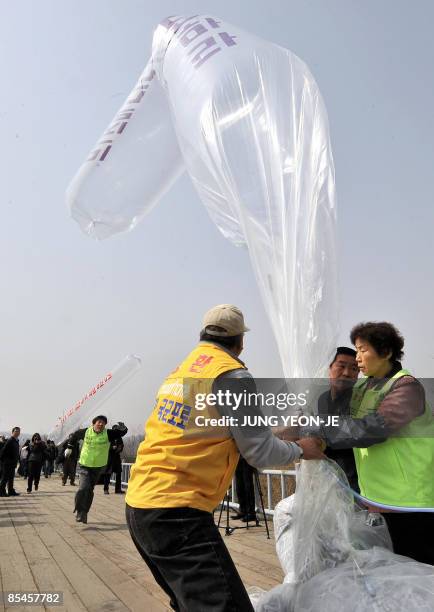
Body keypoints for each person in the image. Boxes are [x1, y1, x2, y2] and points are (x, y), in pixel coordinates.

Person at [126, 304, 325, 612]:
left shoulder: (182, 371)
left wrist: (278, 432)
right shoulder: (232, 375)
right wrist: (302, 449)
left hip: (141, 505)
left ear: (202, 334)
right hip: (178, 512)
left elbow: (215, 428)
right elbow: (258, 452)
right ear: (240, 341)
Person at [320, 321, 434, 565]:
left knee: (419, 570)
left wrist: (319, 432)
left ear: (386, 352)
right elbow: (336, 410)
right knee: (392, 573)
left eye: (363, 350)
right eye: (356, 350)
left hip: (410, 502)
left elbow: (373, 428)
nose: (357, 358)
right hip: (377, 500)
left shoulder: (406, 387)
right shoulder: (364, 387)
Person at [66, 416, 128, 523]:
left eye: (103, 423)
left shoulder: (107, 433)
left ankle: (84, 512)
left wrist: (123, 427)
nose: (101, 424)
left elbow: (121, 433)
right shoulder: (86, 432)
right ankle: (80, 511)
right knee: (83, 488)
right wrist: (69, 447)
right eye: (99, 422)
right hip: (85, 464)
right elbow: (75, 435)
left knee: (89, 490)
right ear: (93, 423)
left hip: (98, 467)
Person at [318, 347, 360, 492]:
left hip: (356, 484)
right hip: (326, 481)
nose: (347, 373)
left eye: (354, 368)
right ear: (329, 368)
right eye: (341, 366)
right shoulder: (321, 399)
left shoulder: (361, 400)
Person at [231, 456, 257, 522]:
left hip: (247, 459)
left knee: (248, 488)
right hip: (238, 459)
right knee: (239, 488)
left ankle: (251, 513)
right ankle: (243, 511)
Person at [0, 427, 21, 497]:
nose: (17, 432)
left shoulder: (16, 441)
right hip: (7, 463)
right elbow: (3, 451)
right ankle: (1, 491)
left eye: (18, 431)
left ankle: (11, 490)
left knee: (11, 477)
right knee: (5, 478)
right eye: (16, 431)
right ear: (12, 432)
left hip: (13, 463)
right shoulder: (10, 440)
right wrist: (4, 461)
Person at [103, 429, 124, 494]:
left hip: (117, 458)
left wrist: (119, 449)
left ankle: (118, 489)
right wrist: (111, 448)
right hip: (109, 458)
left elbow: (121, 445)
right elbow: (104, 446)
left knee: (119, 474)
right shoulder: (108, 437)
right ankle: (106, 489)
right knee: (108, 474)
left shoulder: (119, 437)